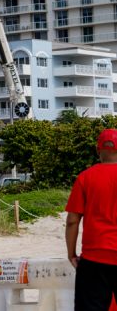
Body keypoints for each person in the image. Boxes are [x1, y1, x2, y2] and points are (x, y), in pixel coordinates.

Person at [65, 128, 117, 310]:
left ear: (97, 150)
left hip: (94, 258)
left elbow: (72, 220)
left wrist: (71, 253)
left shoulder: (85, 177)